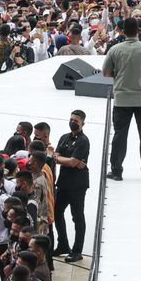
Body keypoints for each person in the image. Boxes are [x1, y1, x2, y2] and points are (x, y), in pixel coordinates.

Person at [102, 17, 141, 182]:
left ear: (122, 31)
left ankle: (116, 171)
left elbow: (106, 72)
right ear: (139, 30)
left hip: (122, 100)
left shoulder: (115, 49)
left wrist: (120, 75)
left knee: (119, 135)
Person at [53, 111, 91, 264]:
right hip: (63, 182)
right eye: (71, 119)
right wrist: (66, 159)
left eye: (76, 120)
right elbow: (55, 156)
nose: (72, 122)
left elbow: (73, 162)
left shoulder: (83, 141)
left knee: (77, 216)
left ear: (82, 123)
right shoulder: (64, 137)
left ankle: (77, 251)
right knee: (56, 212)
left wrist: (63, 159)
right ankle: (63, 244)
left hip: (77, 185)